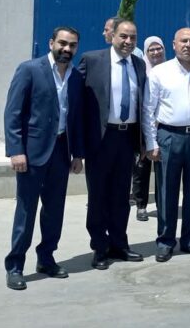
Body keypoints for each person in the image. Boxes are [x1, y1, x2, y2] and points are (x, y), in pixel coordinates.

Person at [3, 27, 85, 290]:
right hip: (32, 153)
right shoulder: (29, 69)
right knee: (26, 210)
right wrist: (16, 150)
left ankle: (46, 259)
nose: (67, 49)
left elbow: (76, 118)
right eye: (62, 43)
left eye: (72, 45)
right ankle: (15, 266)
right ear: (51, 43)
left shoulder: (76, 77)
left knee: (54, 210)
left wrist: (78, 154)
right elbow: (13, 113)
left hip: (61, 152)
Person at [142, 28, 190, 262]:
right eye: (183, 41)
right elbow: (148, 109)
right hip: (169, 136)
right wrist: (151, 142)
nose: (188, 45)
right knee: (166, 191)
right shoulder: (160, 72)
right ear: (174, 44)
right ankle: (166, 241)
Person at [79, 18, 147, 270]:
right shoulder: (92, 60)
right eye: (124, 36)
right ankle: (99, 247)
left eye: (133, 37)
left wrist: (143, 141)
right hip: (101, 138)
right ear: (112, 36)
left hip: (127, 138)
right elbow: (77, 100)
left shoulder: (139, 64)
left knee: (121, 196)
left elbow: (142, 103)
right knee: (98, 195)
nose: (128, 41)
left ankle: (119, 243)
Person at [132, 36, 166, 221]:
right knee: (141, 168)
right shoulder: (140, 71)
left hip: (164, 128)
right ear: (145, 52)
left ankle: (162, 205)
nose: (155, 52)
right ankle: (141, 206)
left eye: (158, 48)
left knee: (162, 170)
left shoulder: (170, 69)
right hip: (142, 126)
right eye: (151, 50)